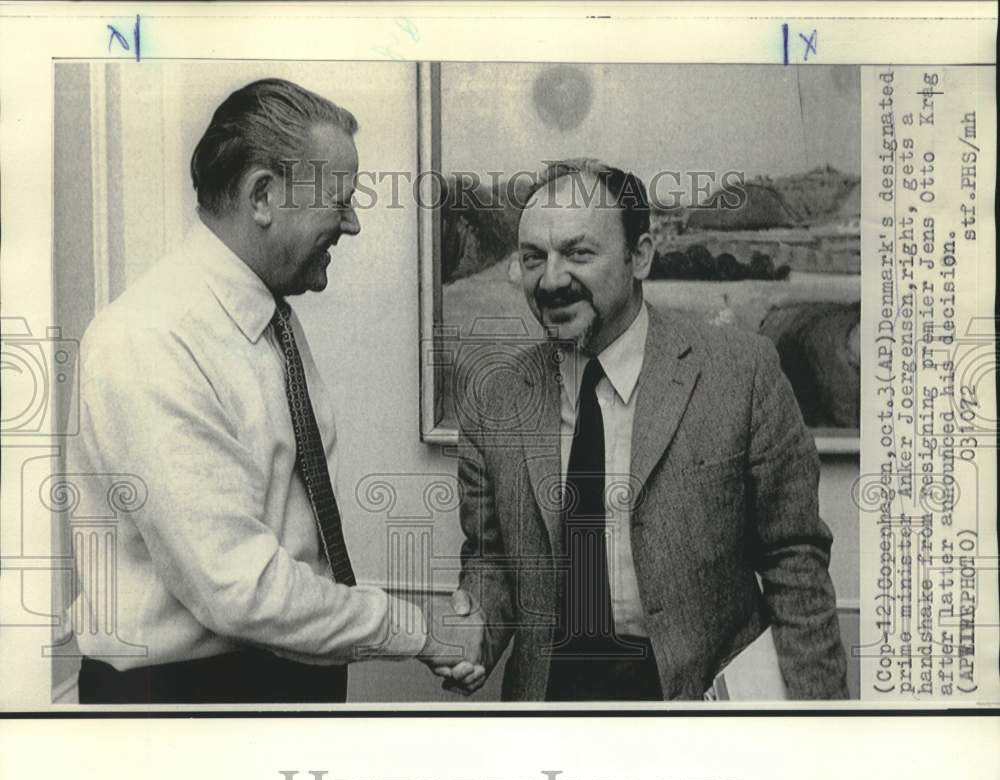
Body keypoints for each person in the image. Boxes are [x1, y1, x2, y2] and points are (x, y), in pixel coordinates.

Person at [67, 78, 480, 703]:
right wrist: (419, 631)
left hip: (270, 684)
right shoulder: (151, 339)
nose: (353, 223)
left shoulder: (271, 324)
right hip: (186, 713)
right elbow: (240, 590)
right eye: (339, 200)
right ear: (264, 195)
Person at [437, 159, 849, 700]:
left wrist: (818, 728)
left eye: (579, 253)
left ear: (640, 256)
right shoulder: (495, 400)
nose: (552, 279)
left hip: (702, 709)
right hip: (554, 709)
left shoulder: (740, 373)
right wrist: (475, 628)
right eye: (534, 257)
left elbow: (793, 560)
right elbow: (491, 562)